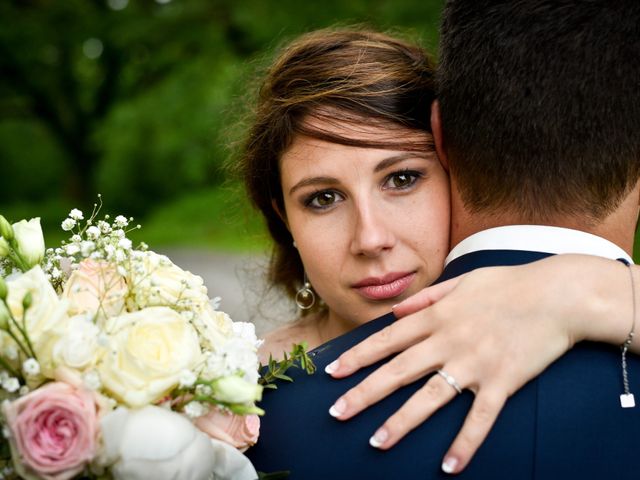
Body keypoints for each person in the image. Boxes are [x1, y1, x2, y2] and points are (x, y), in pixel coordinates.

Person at [242, 12, 640, 478]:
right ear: (283, 217)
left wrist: (578, 290)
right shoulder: (240, 395)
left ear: (453, 159)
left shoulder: (585, 294)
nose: (371, 239)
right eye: (323, 199)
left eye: (402, 179)